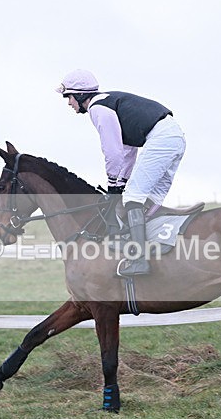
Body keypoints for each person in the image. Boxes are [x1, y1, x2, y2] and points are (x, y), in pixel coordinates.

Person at [56, 69, 186, 277]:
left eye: (68, 97)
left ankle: (139, 260)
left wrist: (113, 185)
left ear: (80, 95)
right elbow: (128, 150)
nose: (69, 103)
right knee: (149, 202)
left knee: (133, 198)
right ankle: (156, 250)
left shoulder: (97, 108)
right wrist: (120, 182)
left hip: (161, 139)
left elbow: (112, 151)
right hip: (174, 137)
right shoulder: (108, 102)